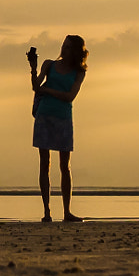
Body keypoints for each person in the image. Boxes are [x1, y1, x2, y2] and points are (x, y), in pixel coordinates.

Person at [28, 35, 87, 222]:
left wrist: (48, 91)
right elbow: (36, 87)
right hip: (44, 116)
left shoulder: (79, 72)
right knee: (44, 164)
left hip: (63, 118)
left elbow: (70, 96)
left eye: (69, 47)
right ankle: (47, 212)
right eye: (64, 45)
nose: (65, 49)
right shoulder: (49, 65)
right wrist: (33, 68)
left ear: (76, 51)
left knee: (65, 166)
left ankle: (67, 211)